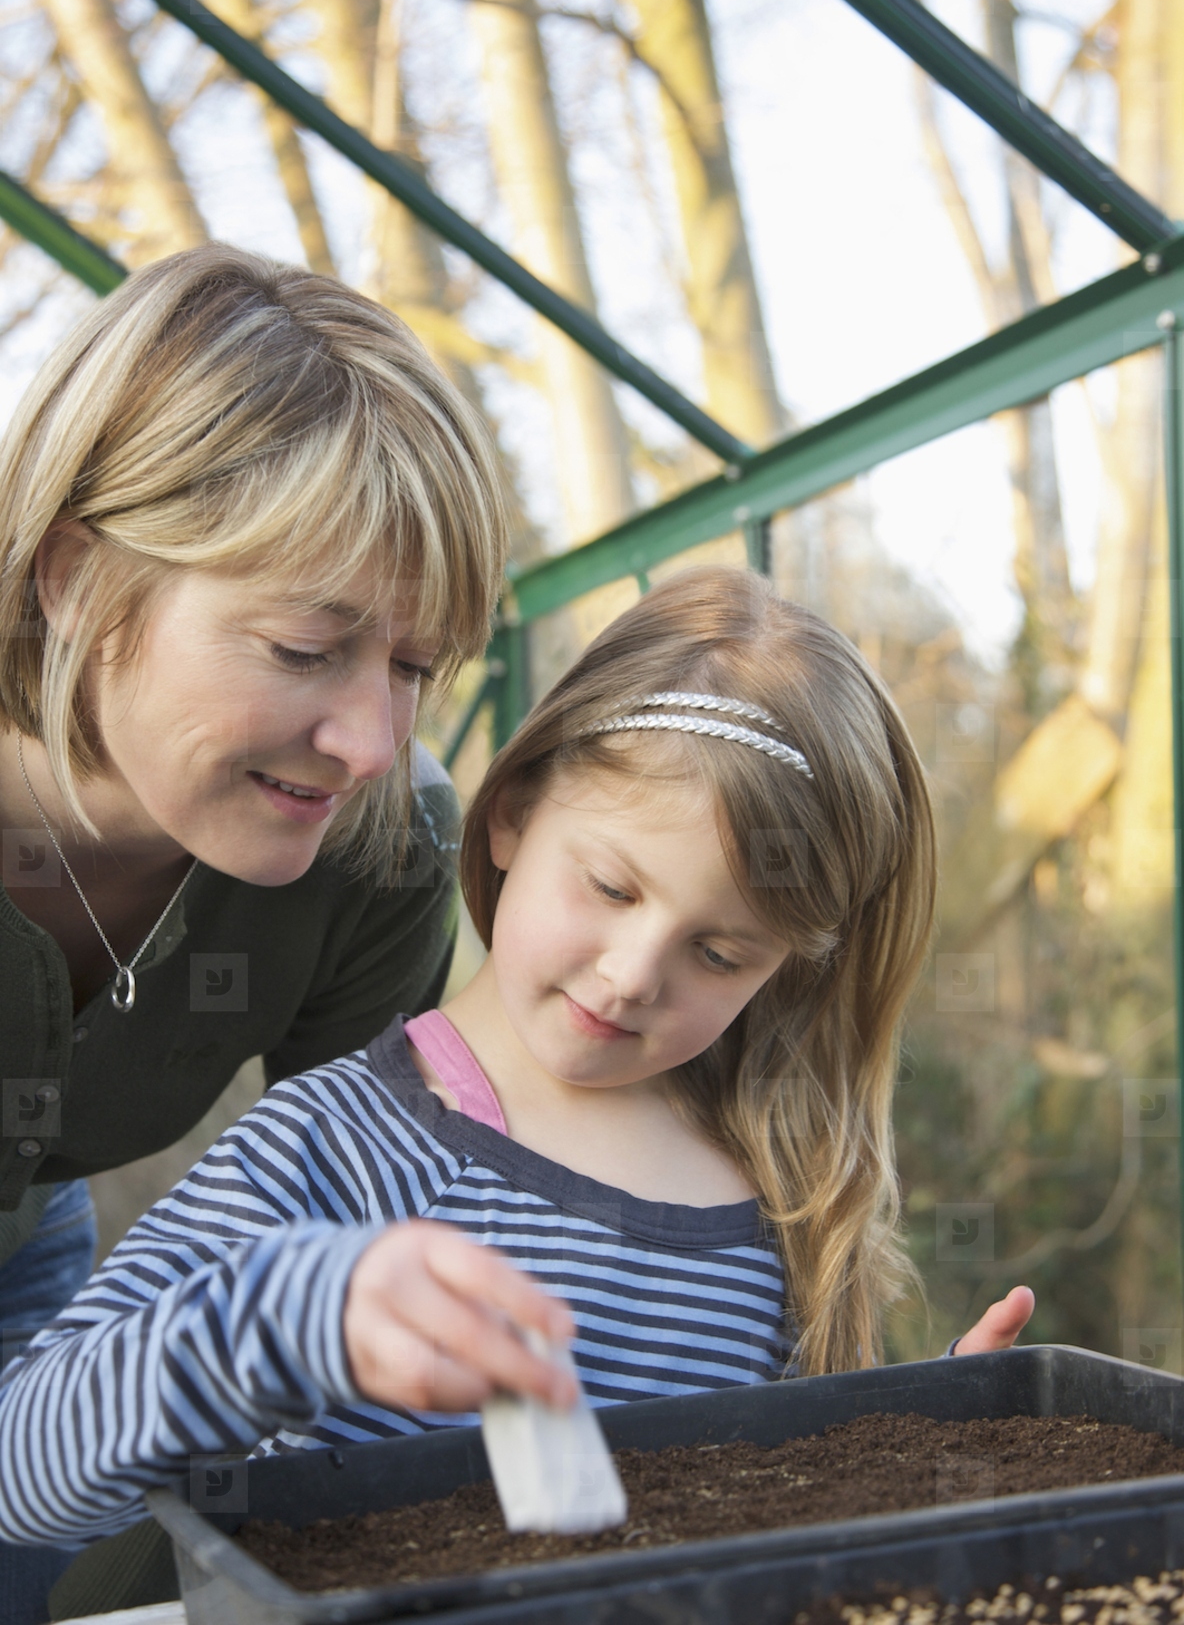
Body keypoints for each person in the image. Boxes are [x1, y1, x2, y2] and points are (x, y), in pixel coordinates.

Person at [0, 565, 1034, 1562]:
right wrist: (282, 1319)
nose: (632, 974)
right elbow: (23, 1472)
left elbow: (764, 1515)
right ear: (511, 813)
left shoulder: (779, 1197)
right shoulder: (340, 1149)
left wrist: (906, 1454)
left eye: (719, 952)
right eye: (610, 887)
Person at [0, 242, 522, 1621]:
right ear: (74, 579)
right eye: (304, 647)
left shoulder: (381, 847)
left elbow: (357, 1206)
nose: (369, 741)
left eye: (414, 667)